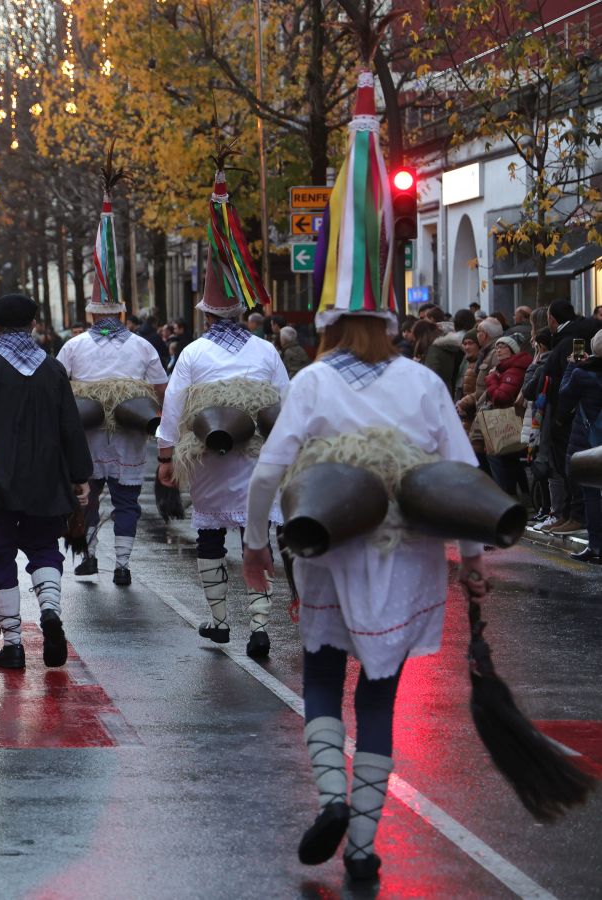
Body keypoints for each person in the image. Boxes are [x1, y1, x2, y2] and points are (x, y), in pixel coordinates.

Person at [242, 68, 487, 882]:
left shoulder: (310, 382)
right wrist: (476, 565)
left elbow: (271, 470)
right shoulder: (420, 381)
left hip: (327, 548)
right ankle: (367, 842)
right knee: (377, 690)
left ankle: (329, 793)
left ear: (329, 319)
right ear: (389, 317)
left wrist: (252, 542)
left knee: (319, 670)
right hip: (405, 551)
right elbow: (465, 473)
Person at [154, 161, 287, 658]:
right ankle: (260, 626)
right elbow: (285, 405)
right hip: (256, 461)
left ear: (207, 312)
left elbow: (173, 407)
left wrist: (167, 457)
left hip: (210, 459)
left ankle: (218, 620)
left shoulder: (192, 353)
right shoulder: (267, 351)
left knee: (209, 535)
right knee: (258, 537)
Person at [0, 293, 93, 669]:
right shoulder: (52, 370)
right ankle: (50, 609)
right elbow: (71, 426)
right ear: (33, 325)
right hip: (46, 480)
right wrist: (79, 477)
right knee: (44, 548)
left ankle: (14, 644)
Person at [57, 161, 168, 585]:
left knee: (87, 496)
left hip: (86, 435)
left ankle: (89, 556)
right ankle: (122, 564)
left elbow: (58, 386)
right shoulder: (141, 345)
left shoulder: (74, 345)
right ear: (122, 310)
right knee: (126, 500)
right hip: (128, 434)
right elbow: (160, 390)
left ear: (90, 311)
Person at [540, 300, 602, 535]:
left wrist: (571, 368)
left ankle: (584, 527)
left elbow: (565, 392)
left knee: (581, 482)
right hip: (590, 427)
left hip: (578, 427)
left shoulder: (581, 373)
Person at [559, 330, 602, 562]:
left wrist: (571, 367)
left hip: (588, 440)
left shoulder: (581, 374)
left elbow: (564, 397)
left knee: (592, 493)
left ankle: (596, 546)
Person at [482, 334, 531, 497]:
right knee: (510, 460)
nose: (498, 350)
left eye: (502, 346)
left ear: (512, 350)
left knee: (496, 454)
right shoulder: (505, 368)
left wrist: (491, 379)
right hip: (513, 421)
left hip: (510, 421)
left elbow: (501, 397)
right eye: (497, 347)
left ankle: (505, 497)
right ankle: (522, 494)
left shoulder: (514, 370)